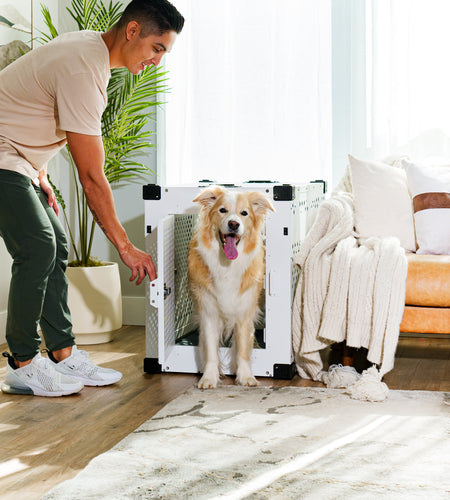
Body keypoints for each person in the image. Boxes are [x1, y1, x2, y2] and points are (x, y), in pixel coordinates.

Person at [0, 0, 184, 397]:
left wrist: (38, 171)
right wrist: (126, 247)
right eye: (157, 48)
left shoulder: (92, 54)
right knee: (37, 245)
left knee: (56, 244)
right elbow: (91, 176)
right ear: (132, 31)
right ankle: (22, 363)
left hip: (18, 159)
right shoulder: (85, 66)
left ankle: (63, 354)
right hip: (2, 155)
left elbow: (28, 104)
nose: (158, 61)